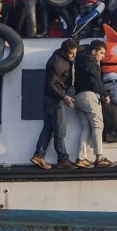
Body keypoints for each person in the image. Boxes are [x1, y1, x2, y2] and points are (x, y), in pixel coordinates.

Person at [31, 39, 79, 170]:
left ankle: (38, 155)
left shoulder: (63, 54)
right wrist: (64, 97)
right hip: (54, 99)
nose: (74, 56)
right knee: (60, 129)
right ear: (64, 52)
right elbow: (51, 84)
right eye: (71, 54)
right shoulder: (57, 63)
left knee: (48, 128)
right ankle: (63, 158)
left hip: (50, 98)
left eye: (76, 53)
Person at [73, 40, 117, 168]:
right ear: (94, 51)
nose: (103, 56)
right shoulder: (91, 61)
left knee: (86, 127)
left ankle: (81, 158)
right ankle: (99, 158)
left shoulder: (81, 59)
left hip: (78, 96)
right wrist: (105, 94)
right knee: (98, 125)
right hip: (89, 96)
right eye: (101, 53)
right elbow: (95, 80)